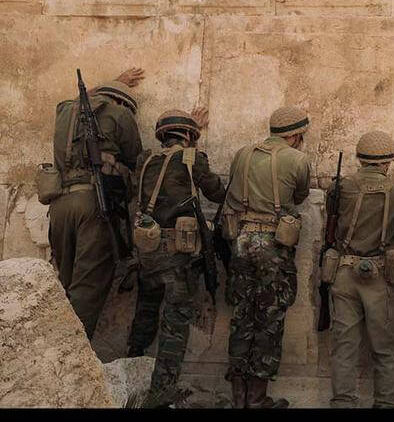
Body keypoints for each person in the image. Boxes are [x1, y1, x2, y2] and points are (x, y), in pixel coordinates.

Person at [133, 108, 226, 406]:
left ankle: (131, 369)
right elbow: (217, 192)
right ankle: (161, 391)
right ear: (189, 136)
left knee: (145, 310)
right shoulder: (192, 158)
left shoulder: (145, 159)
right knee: (175, 321)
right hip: (178, 254)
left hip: (148, 251)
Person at [222, 106, 312, 408]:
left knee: (241, 317)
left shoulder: (242, 154)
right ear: (296, 136)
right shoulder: (298, 160)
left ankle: (238, 398)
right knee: (269, 319)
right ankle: (257, 399)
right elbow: (298, 197)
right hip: (274, 243)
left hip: (241, 240)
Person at [48, 67, 145, 339]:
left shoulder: (66, 110)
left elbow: (79, 100)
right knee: (88, 287)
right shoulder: (120, 113)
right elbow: (133, 157)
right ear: (123, 102)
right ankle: (70, 358)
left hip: (60, 204)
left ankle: (50, 350)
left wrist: (112, 82)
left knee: (63, 283)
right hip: (94, 203)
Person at [325, 131, 394, 408]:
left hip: (343, 272)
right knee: (385, 350)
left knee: (344, 348)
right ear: (388, 162)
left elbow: (332, 214)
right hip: (381, 275)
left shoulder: (340, 187)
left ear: (360, 159)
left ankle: (343, 403)